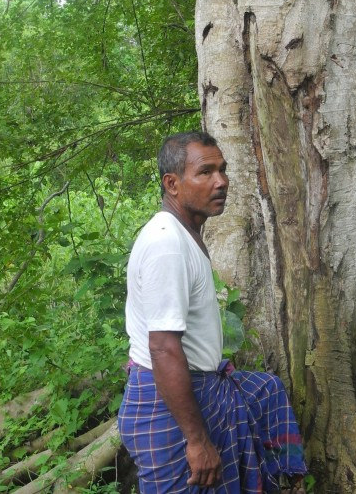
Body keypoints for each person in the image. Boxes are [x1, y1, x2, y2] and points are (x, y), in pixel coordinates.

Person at [118, 131, 307, 493]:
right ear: (172, 184)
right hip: (167, 408)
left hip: (200, 387)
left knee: (265, 388)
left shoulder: (185, 233)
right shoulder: (167, 244)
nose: (220, 181)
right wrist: (197, 440)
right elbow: (162, 348)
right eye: (205, 172)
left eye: (222, 170)